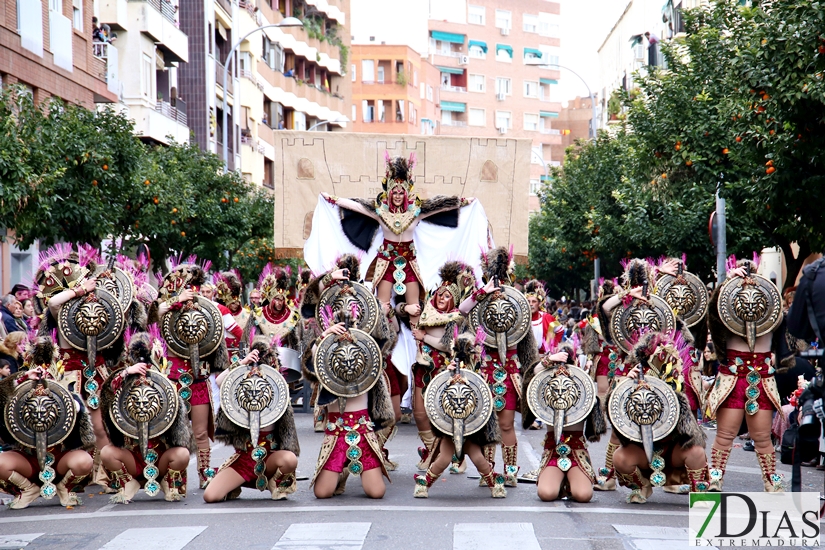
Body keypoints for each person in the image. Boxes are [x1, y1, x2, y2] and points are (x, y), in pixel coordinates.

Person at [316, 152, 474, 327]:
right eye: (395, 193)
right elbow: (358, 206)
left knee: (415, 308)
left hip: (409, 262)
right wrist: (334, 200)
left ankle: (417, 349)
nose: (398, 196)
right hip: (386, 262)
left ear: (406, 194)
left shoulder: (416, 213)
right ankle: (388, 342)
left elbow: (441, 206)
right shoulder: (380, 212)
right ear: (389, 194)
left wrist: (464, 202)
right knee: (381, 307)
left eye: (401, 193)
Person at [705, 256, 795, 492]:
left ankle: (771, 482)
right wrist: (724, 287)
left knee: (762, 438)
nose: (750, 297)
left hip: (762, 378)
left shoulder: (774, 312)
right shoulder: (724, 310)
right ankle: (715, 479)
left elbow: (789, 340)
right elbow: (713, 315)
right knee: (725, 435)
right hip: (733, 377)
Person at [459, 247, 539, 487]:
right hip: (485, 371)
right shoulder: (479, 299)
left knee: (505, 424)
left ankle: (511, 471)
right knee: (487, 424)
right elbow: (461, 311)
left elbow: (528, 349)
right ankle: (489, 472)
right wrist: (481, 293)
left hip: (510, 371)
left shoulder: (518, 301)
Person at [154, 258, 228, 489]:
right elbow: (153, 313)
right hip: (173, 377)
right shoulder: (166, 310)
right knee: (172, 431)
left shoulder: (206, 309)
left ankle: (205, 474)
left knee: (200, 431)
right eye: (186, 287)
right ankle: (173, 477)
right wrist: (176, 300)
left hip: (200, 378)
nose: (190, 291)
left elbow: (217, 339)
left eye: (193, 288)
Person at [611, 331, 709, 504]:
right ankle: (642, 486)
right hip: (642, 450)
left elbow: (694, 435)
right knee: (620, 457)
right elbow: (614, 416)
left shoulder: (677, 382)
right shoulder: (634, 380)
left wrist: (676, 397)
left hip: (673, 450)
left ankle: (699, 493)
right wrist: (626, 386)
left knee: (697, 452)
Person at [0, 335, 95, 509]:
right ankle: (29, 489)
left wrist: (75, 409)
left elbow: (85, 439)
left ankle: (65, 488)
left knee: (84, 461)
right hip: (28, 460)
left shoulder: (70, 398)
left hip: (61, 460)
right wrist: (21, 379)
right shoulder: (16, 399)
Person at [100, 329, 193, 504]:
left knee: (182, 454)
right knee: (107, 452)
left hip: (162, 456)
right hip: (132, 456)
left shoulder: (164, 382)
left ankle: (168, 483)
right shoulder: (123, 382)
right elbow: (107, 393)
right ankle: (129, 483)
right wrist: (127, 372)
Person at [413, 328, 507, 498]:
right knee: (443, 459)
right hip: (450, 425)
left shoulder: (481, 374)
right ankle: (424, 484)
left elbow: (484, 399)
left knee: (478, 458)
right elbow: (434, 394)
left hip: (471, 425)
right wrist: (445, 374)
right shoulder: (447, 371)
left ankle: (494, 483)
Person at [411, 261, 485, 473]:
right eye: (440, 295)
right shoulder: (427, 311)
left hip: (444, 368)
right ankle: (431, 451)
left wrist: (424, 336)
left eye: (447, 296)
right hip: (423, 366)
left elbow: (446, 344)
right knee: (419, 413)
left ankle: (457, 459)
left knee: (443, 414)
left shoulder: (455, 316)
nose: (442, 299)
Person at [204, 343, 299, 503]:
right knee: (210, 496)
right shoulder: (239, 388)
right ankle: (235, 484)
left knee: (289, 459)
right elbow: (220, 381)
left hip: (271, 458)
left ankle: (275, 482)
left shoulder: (278, 390)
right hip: (245, 459)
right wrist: (242, 363)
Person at [521, 343, 606, 502]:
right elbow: (532, 376)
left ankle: (571, 483)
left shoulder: (583, 388)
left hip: (577, 451)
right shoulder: (544, 385)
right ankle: (558, 482)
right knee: (547, 494)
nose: (560, 392)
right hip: (553, 450)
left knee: (583, 495)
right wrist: (548, 360)